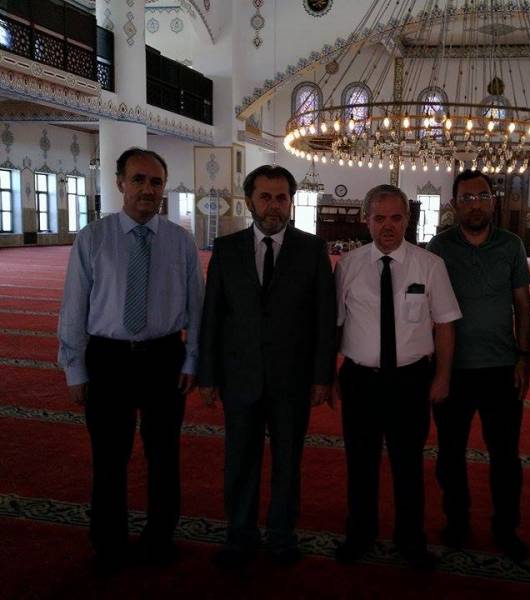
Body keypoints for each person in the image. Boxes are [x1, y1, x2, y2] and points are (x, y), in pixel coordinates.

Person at [57, 147, 204, 572]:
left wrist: (191, 360)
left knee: (164, 456)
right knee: (109, 458)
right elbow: (74, 307)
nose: (147, 189)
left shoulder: (180, 240)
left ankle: (160, 539)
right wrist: (75, 368)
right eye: (138, 179)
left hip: (164, 359)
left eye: (156, 182)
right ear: (120, 182)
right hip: (108, 360)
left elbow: (197, 307)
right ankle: (109, 543)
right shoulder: (93, 238)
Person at [198, 165, 336, 567]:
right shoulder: (226, 249)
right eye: (265, 197)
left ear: (291, 202)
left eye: (281, 198)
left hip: (292, 380)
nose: (273, 206)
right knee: (240, 461)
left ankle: (281, 536)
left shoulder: (313, 250)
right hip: (240, 377)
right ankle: (240, 536)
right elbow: (212, 316)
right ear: (249, 201)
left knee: (288, 463)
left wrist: (322, 376)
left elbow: (324, 318)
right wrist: (208, 375)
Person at [333, 184, 461, 569]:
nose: (387, 226)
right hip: (360, 381)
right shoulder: (348, 265)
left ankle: (411, 541)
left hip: (411, 382)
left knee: (408, 465)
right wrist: (329, 375)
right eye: (379, 218)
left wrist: (443, 377)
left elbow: (446, 325)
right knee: (360, 463)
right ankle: (360, 534)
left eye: (395, 217)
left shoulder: (430, 265)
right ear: (366, 220)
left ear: (407, 219)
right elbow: (334, 324)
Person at [426, 170, 530, 562]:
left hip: (501, 368)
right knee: (450, 454)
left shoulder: (511, 245)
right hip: (452, 369)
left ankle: (506, 528)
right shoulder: (439, 247)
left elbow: (523, 305)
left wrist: (524, 356)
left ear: (494, 201)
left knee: (505, 456)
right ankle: (456, 522)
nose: (475, 205)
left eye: (482, 197)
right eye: (467, 198)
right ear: (454, 205)